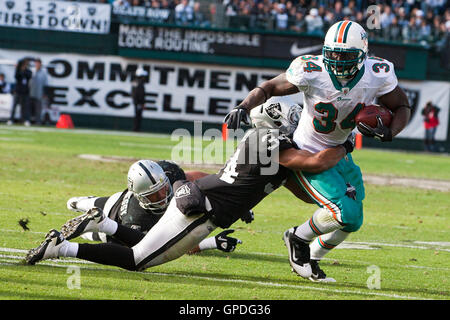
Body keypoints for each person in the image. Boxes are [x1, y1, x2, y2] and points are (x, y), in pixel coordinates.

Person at [25, 96, 355, 272]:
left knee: (141, 244)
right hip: (203, 209)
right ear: (275, 121)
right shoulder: (269, 141)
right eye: (292, 117)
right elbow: (316, 162)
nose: (298, 123)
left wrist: (324, 201)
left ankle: (104, 223)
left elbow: (295, 184)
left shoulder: (271, 148)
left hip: (198, 197)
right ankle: (60, 249)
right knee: (137, 260)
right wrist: (347, 141)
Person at [223, 20, 411, 282]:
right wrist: (244, 106)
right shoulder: (312, 70)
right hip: (308, 150)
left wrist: (391, 132)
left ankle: (312, 256)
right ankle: (299, 237)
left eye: (344, 55)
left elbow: (402, 105)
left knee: (353, 219)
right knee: (343, 213)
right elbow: (269, 87)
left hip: (341, 151)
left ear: (362, 54)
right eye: (332, 53)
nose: (337, 60)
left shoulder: (377, 73)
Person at [64, 159, 246, 253]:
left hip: (118, 198)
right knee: (89, 230)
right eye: (153, 195)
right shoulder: (136, 220)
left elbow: (193, 177)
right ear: (140, 196)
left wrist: (229, 193)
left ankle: (78, 203)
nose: (162, 196)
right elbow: (170, 247)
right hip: (116, 224)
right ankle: (84, 215)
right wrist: (211, 243)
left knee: (80, 202)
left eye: (163, 188)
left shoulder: (169, 173)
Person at [7, 58, 32, 126]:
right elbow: (16, 77)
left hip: (25, 91)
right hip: (18, 91)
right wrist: (19, 68)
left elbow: (29, 76)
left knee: (25, 107)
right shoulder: (18, 70)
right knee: (14, 106)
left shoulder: (28, 71)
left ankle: (26, 120)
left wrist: (24, 70)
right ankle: (11, 119)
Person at [29, 58, 48, 125]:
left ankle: (38, 121)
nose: (37, 64)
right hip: (30, 92)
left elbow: (45, 83)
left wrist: (45, 93)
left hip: (39, 93)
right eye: (36, 63)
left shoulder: (44, 72)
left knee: (38, 109)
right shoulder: (32, 70)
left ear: (40, 64)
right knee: (29, 108)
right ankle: (28, 121)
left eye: (38, 63)